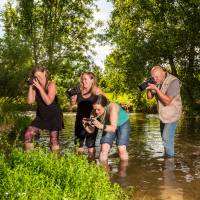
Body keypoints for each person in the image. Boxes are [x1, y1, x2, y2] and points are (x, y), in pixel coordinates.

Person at [24, 64, 63, 152]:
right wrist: (31, 85)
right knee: (28, 134)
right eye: (36, 77)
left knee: (54, 139)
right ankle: (28, 158)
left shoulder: (51, 84)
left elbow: (48, 102)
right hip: (41, 116)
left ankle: (55, 161)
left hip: (54, 116)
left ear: (44, 73)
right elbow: (30, 101)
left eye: (40, 75)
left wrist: (39, 88)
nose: (38, 78)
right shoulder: (35, 86)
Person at [146, 65, 182, 157]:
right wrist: (148, 87)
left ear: (163, 72)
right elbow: (149, 97)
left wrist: (156, 89)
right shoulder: (157, 81)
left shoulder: (174, 81)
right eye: (153, 77)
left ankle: (170, 162)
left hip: (172, 114)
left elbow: (167, 101)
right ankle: (168, 156)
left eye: (157, 77)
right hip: (163, 115)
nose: (155, 79)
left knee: (166, 137)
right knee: (164, 138)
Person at [82, 95, 130, 161]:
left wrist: (100, 125)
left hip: (123, 123)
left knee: (121, 148)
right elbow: (91, 131)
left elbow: (113, 128)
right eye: (94, 109)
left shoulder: (112, 108)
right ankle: (103, 170)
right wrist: (85, 125)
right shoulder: (93, 112)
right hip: (108, 125)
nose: (96, 112)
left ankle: (123, 170)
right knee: (104, 149)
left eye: (99, 109)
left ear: (105, 106)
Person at [70, 72, 103, 158]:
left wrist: (96, 117)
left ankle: (91, 163)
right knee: (78, 144)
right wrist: (73, 98)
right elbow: (72, 104)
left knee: (90, 145)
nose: (83, 81)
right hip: (79, 120)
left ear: (92, 80)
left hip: (92, 120)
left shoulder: (97, 91)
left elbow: (103, 106)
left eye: (85, 79)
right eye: (82, 79)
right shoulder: (78, 90)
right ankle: (78, 163)